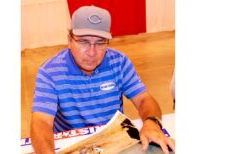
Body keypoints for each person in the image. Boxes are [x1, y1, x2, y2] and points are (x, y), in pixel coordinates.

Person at [31, 5, 175, 154]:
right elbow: (41, 122)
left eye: (100, 43)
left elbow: (144, 99)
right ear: (69, 40)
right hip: (72, 144)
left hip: (114, 141)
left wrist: (152, 123)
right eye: (83, 42)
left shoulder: (119, 62)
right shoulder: (50, 72)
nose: (92, 52)